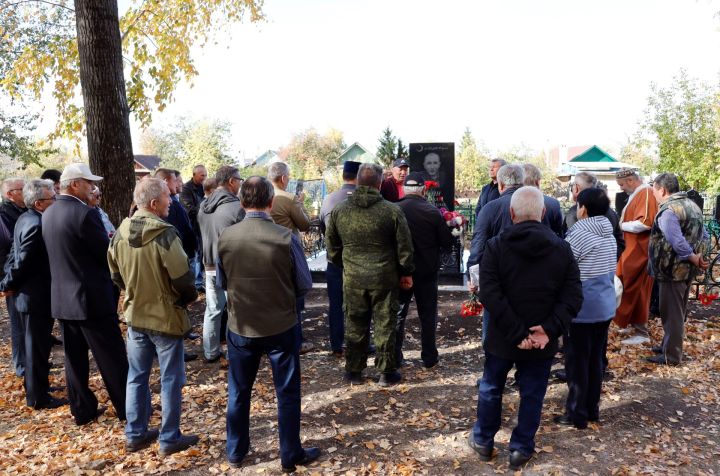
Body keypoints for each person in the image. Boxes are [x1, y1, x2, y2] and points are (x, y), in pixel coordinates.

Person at [468, 186, 582, 470]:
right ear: (543, 213)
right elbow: (573, 297)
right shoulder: (561, 248)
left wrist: (520, 332)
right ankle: (520, 447)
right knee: (532, 393)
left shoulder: (496, 246)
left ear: (511, 212)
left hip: (503, 336)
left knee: (492, 387)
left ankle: (483, 439)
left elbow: (490, 294)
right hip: (539, 339)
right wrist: (547, 329)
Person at [218, 176, 320, 472]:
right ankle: (290, 453)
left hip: (241, 326)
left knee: (239, 391)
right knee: (286, 392)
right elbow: (304, 284)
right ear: (271, 202)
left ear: (241, 202)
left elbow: (224, 282)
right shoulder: (286, 237)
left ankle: (236, 451)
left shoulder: (226, 236)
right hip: (280, 324)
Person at [108, 178, 199, 456]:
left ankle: (135, 434)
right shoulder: (164, 234)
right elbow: (183, 278)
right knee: (171, 378)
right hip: (164, 317)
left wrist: (134, 291)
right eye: (166, 198)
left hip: (136, 316)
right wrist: (185, 299)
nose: (171, 201)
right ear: (153, 203)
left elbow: (115, 274)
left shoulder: (120, 233)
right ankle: (169, 437)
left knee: (136, 376)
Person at [42, 163, 128, 425]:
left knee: (74, 360)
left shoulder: (49, 212)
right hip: (91, 299)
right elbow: (107, 255)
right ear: (75, 184)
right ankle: (129, 410)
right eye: (89, 182)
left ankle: (82, 409)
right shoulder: (84, 214)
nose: (93, 187)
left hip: (63, 298)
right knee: (112, 357)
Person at [325, 163, 415, 386]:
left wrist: (347, 265)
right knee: (385, 324)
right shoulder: (392, 211)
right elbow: (405, 248)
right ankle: (386, 372)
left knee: (355, 322)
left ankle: (354, 371)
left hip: (353, 278)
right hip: (384, 278)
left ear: (357, 180)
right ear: (380, 182)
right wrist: (406, 272)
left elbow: (332, 248)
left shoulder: (340, 210)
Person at [0, 179, 67, 409]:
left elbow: (13, 254)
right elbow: (21, 259)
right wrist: (7, 283)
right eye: (52, 198)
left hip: (32, 294)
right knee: (35, 348)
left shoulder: (26, 218)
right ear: (39, 203)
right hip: (34, 296)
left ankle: (39, 387)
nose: (56, 201)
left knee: (38, 346)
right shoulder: (36, 225)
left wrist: (8, 281)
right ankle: (38, 397)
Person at [554, 188, 616, 429]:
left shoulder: (579, 233)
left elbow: (564, 265)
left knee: (577, 361)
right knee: (594, 360)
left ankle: (576, 413)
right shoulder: (608, 232)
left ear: (583, 209)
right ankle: (592, 409)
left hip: (581, 306)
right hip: (604, 304)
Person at [646, 173, 708, 365]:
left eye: (654, 190)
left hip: (671, 270)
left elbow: (676, 240)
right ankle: (668, 345)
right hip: (687, 269)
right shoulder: (692, 206)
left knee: (671, 313)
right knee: (677, 310)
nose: (653, 194)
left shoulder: (668, 210)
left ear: (662, 190)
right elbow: (704, 236)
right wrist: (699, 257)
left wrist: (691, 256)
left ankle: (671, 355)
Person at [395, 172, 453, 368]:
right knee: (427, 315)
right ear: (423, 190)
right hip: (426, 271)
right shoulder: (431, 211)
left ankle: (395, 356)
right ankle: (429, 356)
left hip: (401, 272)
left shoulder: (394, 210)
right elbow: (446, 242)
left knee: (399, 313)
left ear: (404, 189)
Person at [197, 165, 245, 363]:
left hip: (209, 264)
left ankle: (210, 351)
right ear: (232, 181)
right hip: (230, 266)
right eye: (240, 180)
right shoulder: (236, 208)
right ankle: (234, 350)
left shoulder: (204, 206)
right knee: (233, 310)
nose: (241, 183)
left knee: (213, 309)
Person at [268, 161, 313, 353]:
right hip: (288, 252)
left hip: (265, 251)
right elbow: (304, 224)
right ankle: (296, 340)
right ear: (284, 178)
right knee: (295, 298)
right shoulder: (288, 198)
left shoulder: (262, 195)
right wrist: (300, 204)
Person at [318, 161, 360, 357]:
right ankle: (358, 342)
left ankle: (336, 344)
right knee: (360, 304)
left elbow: (322, 227)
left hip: (334, 259)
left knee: (335, 304)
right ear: (358, 176)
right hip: (359, 260)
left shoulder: (329, 199)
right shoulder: (366, 199)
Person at [614, 168, 658, 345]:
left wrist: (620, 226)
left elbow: (645, 223)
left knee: (638, 290)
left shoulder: (645, 192)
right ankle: (632, 324)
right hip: (632, 250)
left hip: (639, 252)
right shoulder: (639, 193)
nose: (622, 188)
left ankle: (641, 332)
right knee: (628, 287)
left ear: (631, 180)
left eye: (622, 184)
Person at [467, 163, 525, 274]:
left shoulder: (489, 208)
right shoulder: (539, 204)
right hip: (533, 274)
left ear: (501, 185)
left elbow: (478, 245)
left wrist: (472, 277)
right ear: (523, 183)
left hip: (498, 273)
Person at [562, 171, 625, 259]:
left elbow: (568, 247)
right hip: (606, 269)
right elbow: (620, 242)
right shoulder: (611, 212)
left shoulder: (575, 213)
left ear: (576, 188)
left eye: (572, 187)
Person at [1, 177, 27, 377]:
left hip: (27, 277)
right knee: (18, 326)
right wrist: (4, 282)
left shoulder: (23, 211)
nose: (26, 191)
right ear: (10, 194)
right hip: (12, 280)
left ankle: (32, 362)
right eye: (22, 188)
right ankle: (22, 367)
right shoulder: (3, 216)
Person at [154, 168, 198, 261]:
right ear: (165, 182)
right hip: (182, 255)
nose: (179, 183)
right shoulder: (171, 205)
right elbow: (180, 231)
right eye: (175, 181)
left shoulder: (171, 201)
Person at [180, 164, 207, 291]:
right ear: (194, 175)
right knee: (195, 255)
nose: (204, 178)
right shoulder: (186, 189)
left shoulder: (203, 187)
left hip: (202, 226)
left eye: (206, 175)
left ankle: (199, 280)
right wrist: (206, 202)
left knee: (201, 254)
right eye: (202, 175)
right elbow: (190, 210)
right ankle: (195, 283)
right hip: (192, 227)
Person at [522, 163, 563, 236]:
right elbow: (559, 232)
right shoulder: (553, 204)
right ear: (537, 181)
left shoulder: (512, 202)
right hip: (548, 244)